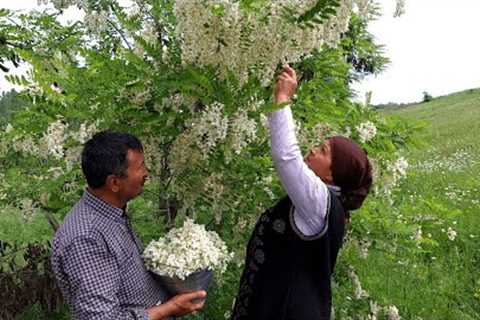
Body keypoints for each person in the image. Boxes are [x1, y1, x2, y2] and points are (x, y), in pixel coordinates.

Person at [231, 66, 373, 320]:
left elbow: (286, 156)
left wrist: (283, 97)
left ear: (333, 174)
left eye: (324, 151)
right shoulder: (324, 204)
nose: (314, 150)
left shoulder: (320, 202)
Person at [51, 131, 206, 320]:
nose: (146, 173)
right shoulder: (86, 238)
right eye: (140, 167)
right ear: (114, 182)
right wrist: (170, 308)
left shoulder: (111, 213)